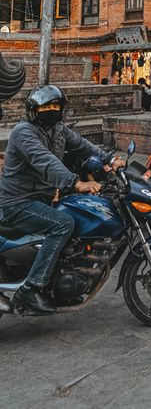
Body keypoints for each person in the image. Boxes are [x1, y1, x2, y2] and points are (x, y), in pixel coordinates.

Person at [0, 85, 123, 314]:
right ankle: (30, 289)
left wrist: (110, 159)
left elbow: (84, 146)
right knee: (63, 224)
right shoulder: (23, 132)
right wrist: (75, 183)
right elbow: (45, 161)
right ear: (33, 111)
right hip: (17, 202)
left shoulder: (58, 130)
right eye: (46, 107)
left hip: (41, 198)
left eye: (56, 106)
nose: (51, 110)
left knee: (74, 211)